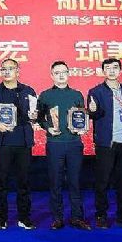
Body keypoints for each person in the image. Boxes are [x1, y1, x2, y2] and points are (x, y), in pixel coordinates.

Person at [0, 59, 38, 230]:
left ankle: (24, 217)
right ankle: (1, 218)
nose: (7, 72)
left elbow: (34, 114)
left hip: (23, 141)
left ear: (18, 71)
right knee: (0, 181)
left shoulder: (28, 91)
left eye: (10, 69)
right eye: (4, 69)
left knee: (24, 182)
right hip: (3, 141)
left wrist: (34, 116)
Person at [87, 58, 122, 230]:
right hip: (106, 143)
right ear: (103, 71)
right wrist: (93, 111)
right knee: (102, 182)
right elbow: (94, 115)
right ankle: (101, 215)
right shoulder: (95, 91)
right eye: (108, 68)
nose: (111, 71)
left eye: (115, 67)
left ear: (120, 70)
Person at [36, 61, 91, 231]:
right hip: (55, 144)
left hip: (74, 143)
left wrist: (82, 127)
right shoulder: (45, 95)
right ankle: (57, 218)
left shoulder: (77, 94)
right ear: (51, 75)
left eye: (64, 72)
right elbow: (39, 118)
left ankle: (77, 217)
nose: (61, 75)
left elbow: (81, 116)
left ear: (68, 74)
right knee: (55, 182)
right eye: (57, 72)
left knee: (75, 181)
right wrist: (48, 128)